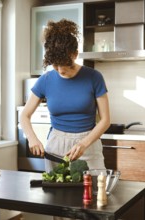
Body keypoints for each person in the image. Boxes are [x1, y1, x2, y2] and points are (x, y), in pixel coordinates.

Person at [20, 18, 110, 174]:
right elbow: (24, 115)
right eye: (55, 64)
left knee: (95, 193)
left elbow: (106, 120)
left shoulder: (94, 77)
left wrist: (84, 144)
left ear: (75, 55)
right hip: (56, 147)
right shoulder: (45, 80)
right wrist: (32, 139)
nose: (60, 70)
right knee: (56, 196)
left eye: (64, 64)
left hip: (88, 145)